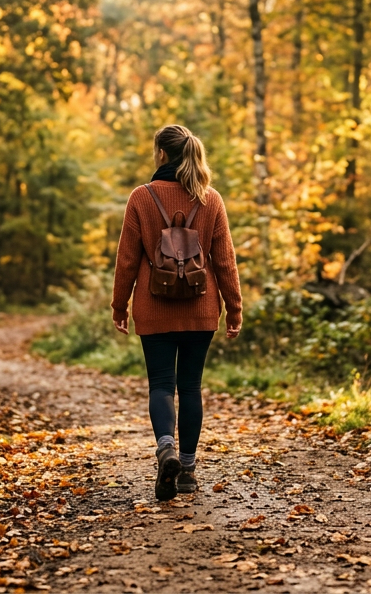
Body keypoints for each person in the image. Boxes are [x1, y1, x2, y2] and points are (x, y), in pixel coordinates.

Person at [111, 124, 242, 501]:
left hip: (154, 307)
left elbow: (127, 261)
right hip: (201, 308)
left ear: (162, 155)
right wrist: (234, 309)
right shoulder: (211, 199)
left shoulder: (141, 197)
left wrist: (120, 306)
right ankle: (186, 470)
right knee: (191, 387)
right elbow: (225, 262)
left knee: (162, 385)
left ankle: (165, 446)